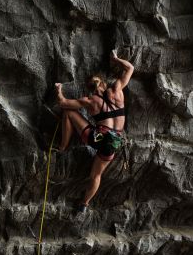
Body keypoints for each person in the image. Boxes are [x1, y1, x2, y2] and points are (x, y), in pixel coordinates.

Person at [54, 50, 134, 213]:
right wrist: (116, 59)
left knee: (69, 113)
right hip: (114, 141)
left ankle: (62, 147)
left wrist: (58, 89)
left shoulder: (90, 101)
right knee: (96, 176)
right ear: (104, 83)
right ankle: (84, 203)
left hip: (97, 137)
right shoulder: (117, 90)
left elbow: (63, 103)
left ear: (90, 88)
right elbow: (130, 68)